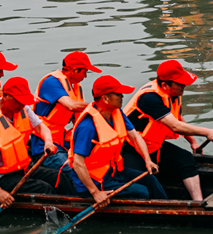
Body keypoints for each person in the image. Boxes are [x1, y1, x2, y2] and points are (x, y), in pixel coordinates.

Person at [0, 77, 74, 203]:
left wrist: (48, 142)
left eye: (24, 102)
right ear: (5, 96)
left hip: (20, 169)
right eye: (18, 101)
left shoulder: (22, 109)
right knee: (44, 189)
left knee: (59, 177)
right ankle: (57, 213)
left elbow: (41, 127)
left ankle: (74, 206)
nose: (22, 105)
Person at [122, 60, 213, 201]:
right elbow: (174, 126)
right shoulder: (150, 98)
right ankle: (164, 206)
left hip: (153, 146)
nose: (184, 86)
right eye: (180, 84)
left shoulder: (173, 94)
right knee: (146, 181)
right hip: (130, 148)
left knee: (185, 159)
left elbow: (178, 118)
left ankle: (198, 203)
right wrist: (207, 132)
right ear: (165, 85)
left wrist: (193, 142)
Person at [69, 75, 165, 204]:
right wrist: (95, 193)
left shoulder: (116, 113)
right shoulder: (88, 127)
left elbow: (135, 136)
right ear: (105, 98)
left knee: (150, 179)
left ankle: (167, 208)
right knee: (141, 192)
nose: (122, 97)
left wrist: (148, 161)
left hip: (113, 171)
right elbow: (77, 163)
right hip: (95, 182)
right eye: (118, 94)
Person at [32, 51, 99, 169]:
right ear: (75, 70)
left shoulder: (76, 88)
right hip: (44, 145)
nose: (85, 76)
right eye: (85, 72)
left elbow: (78, 120)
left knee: (95, 158)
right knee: (74, 168)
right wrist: (99, 105)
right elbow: (70, 105)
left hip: (61, 141)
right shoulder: (52, 82)